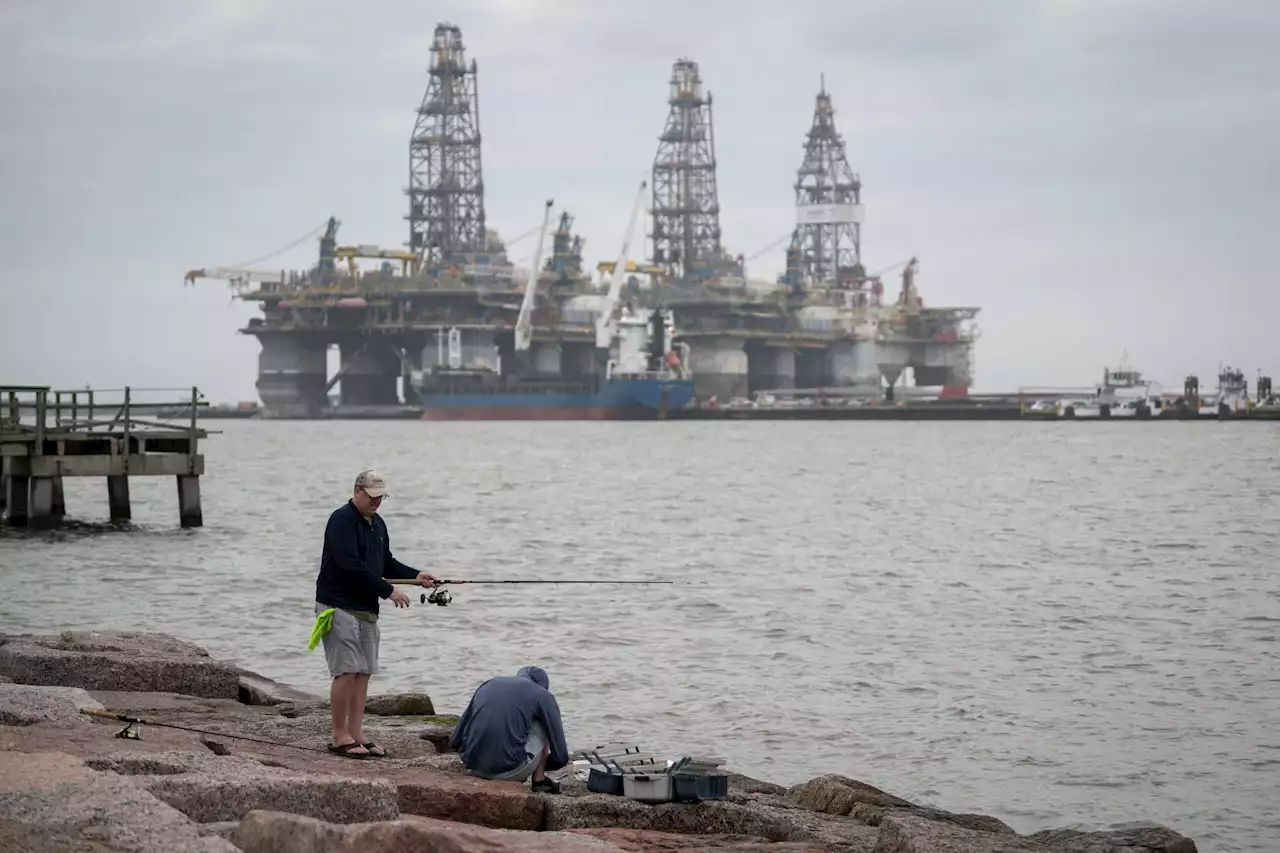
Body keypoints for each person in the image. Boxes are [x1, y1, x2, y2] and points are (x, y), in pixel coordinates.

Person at [314, 469, 437, 759]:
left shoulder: (378, 523)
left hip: (367, 608)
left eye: (381, 497)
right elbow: (350, 565)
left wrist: (417, 575)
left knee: (363, 672)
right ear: (357, 491)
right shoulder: (341, 520)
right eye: (372, 497)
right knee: (345, 671)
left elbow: (385, 563)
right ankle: (338, 735)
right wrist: (388, 591)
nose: (377, 502)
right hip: (338, 604)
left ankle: (356, 733)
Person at [450, 665, 569, 793]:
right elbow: (561, 757)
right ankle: (539, 780)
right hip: (509, 771)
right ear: (543, 686)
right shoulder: (542, 695)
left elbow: (455, 740)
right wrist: (543, 763)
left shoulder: (489, 684)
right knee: (542, 720)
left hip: (473, 767)